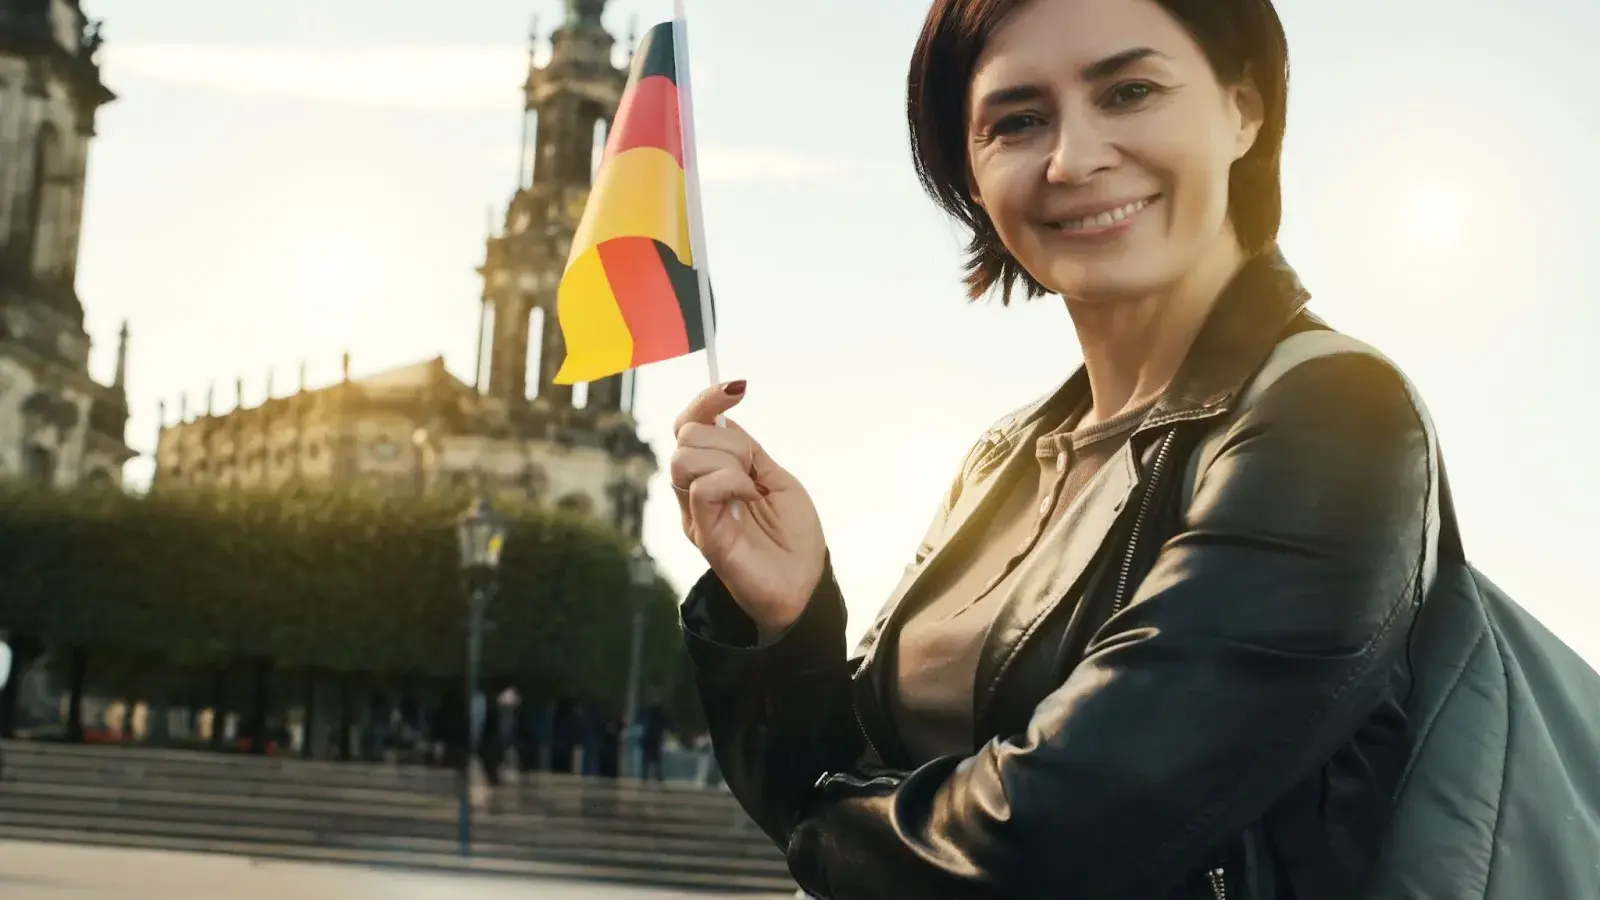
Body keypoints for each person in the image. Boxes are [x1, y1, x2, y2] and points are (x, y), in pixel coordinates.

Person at [671, 0, 1439, 897]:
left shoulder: (1335, 415)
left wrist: (817, 820)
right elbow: (855, 773)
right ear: (969, 172)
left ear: (1245, 108)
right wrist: (789, 619)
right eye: (1017, 121)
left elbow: (1061, 836)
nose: (1073, 159)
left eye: (1131, 91)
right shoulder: (1002, 457)